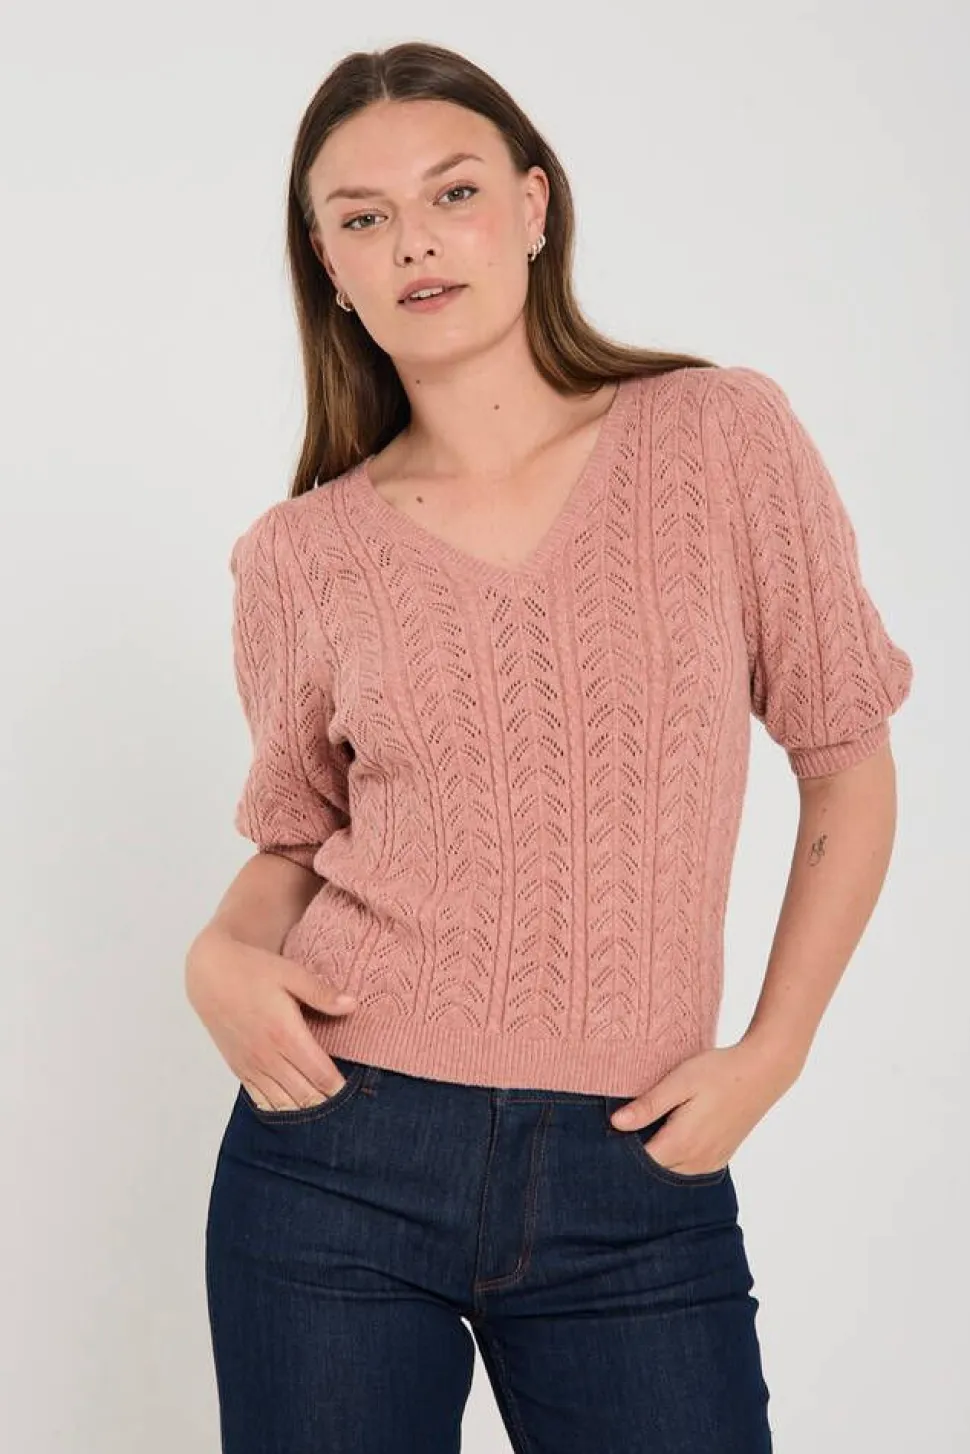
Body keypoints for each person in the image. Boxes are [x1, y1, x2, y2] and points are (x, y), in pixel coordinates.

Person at [186, 40, 914, 1454]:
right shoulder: (299, 554)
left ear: (532, 206)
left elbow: (846, 754)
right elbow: (298, 838)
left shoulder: (719, 438)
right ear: (330, 266)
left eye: (452, 192)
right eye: (363, 217)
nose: (414, 241)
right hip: (338, 1151)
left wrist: (773, 1051)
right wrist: (217, 956)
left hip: (635, 1167)